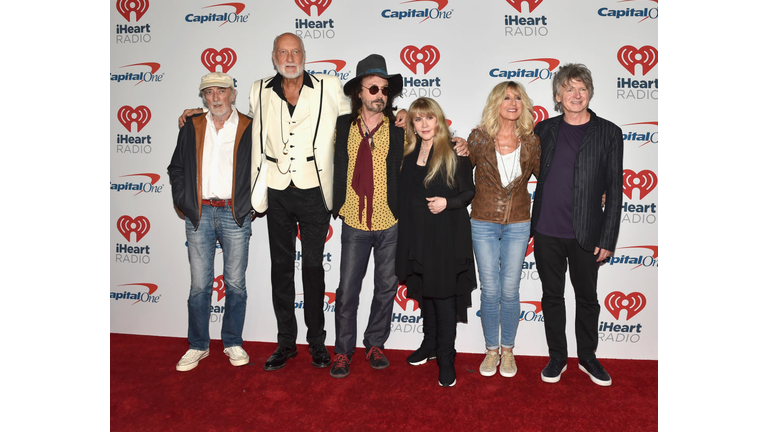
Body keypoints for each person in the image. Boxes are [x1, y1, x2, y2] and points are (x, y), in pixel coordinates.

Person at [531, 63, 623, 386]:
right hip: (546, 231)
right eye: (569, 88)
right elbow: (509, 148)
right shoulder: (543, 130)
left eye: (582, 88)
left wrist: (608, 237)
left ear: (590, 93)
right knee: (551, 296)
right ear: (558, 95)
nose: (576, 94)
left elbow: (615, 189)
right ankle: (558, 357)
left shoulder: (610, 132)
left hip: (587, 233)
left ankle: (587, 357)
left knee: (587, 298)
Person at [168, 72, 254, 372]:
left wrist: (250, 205)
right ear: (203, 97)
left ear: (233, 94)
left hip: (234, 213)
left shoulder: (249, 127)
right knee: (199, 285)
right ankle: (198, 345)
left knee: (235, 283)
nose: (216, 97)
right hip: (200, 214)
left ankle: (232, 341)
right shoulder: (191, 126)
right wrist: (184, 201)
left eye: (222, 91)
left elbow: (263, 168)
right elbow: (176, 167)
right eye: (210, 92)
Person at [457, 81, 541, 378]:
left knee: (510, 289)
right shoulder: (478, 138)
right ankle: (491, 350)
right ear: (496, 102)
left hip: (519, 222)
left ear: (524, 104)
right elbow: (457, 173)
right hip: (483, 221)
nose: (513, 102)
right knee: (490, 290)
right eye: (506, 97)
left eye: (518, 97)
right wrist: (456, 145)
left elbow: (549, 180)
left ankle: (508, 350)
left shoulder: (531, 141)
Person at [328, 54, 405, 379]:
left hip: (389, 221)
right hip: (354, 223)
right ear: (359, 92)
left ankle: (375, 344)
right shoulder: (342, 125)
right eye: (373, 88)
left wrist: (460, 142)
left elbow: (435, 137)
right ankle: (343, 352)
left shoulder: (401, 127)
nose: (380, 95)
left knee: (386, 287)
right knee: (347, 291)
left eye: (385, 90)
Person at [395, 97, 476, 387]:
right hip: (415, 234)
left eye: (430, 118)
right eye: (418, 119)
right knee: (425, 292)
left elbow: (468, 192)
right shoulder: (407, 152)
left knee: (443, 297)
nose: (424, 124)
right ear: (412, 124)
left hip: (445, 234)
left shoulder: (455, 149)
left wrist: (447, 202)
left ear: (438, 120)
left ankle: (446, 356)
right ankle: (429, 345)